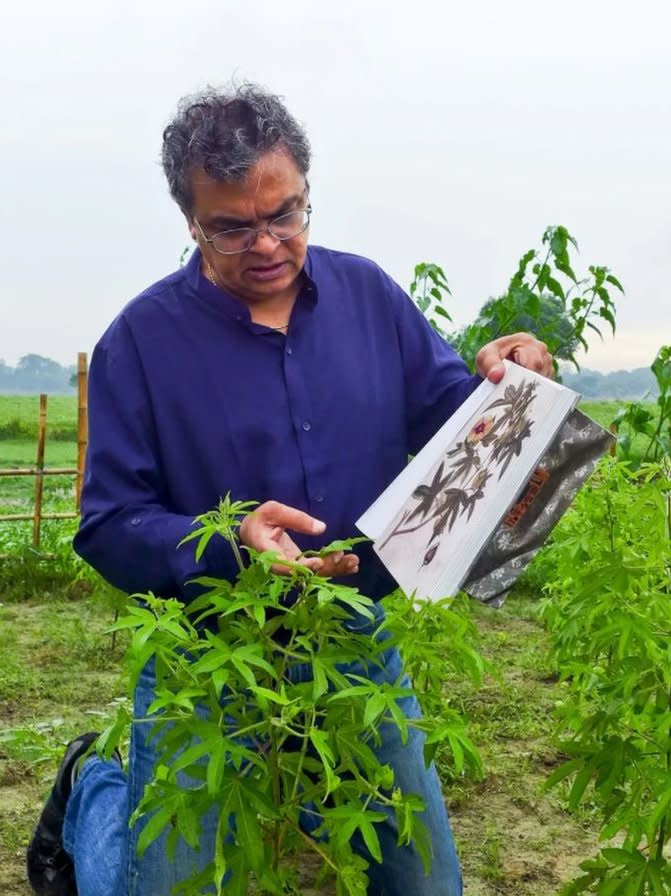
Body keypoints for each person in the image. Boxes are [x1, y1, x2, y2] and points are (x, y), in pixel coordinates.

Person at [26, 83, 552, 896]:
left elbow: (460, 430)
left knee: (423, 886)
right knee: (172, 884)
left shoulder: (368, 296)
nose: (267, 242)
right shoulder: (139, 342)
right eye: (234, 226)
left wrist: (509, 382)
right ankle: (95, 793)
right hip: (207, 657)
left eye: (288, 213)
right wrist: (227, 540)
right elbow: (108, 525)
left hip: (353, 642)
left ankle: (299, 807)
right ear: (191, 222)